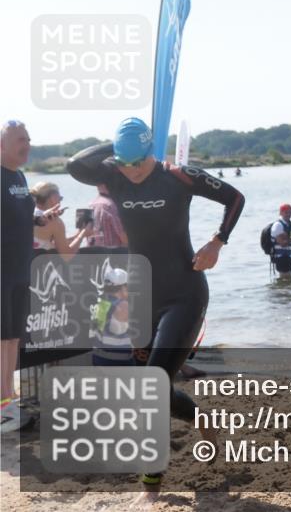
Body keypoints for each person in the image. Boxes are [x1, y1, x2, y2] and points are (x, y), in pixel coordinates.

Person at [67, 117, 245, 494]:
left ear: (150, 153)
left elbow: (235, 198)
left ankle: (151, 485)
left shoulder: (179, 176)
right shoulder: (114, 175)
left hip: (185, 293)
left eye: (137, 162)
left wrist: (217, 242)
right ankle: (200, 417)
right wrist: (117, 148)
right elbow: (75, 165)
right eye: (124, 162)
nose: (130, 172)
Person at [1, 120, 36, 433]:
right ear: (2, 145)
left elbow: (21, 215)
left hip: (19, 269)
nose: (27, 144)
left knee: (12, 338)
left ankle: (7, 400)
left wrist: (42, 217)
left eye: (28, 138)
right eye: (20, 140)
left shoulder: (20, 175)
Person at [30, 181, 92, 258]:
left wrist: (77, 235)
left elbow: (57, 243)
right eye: (60, 198)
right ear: (53, 198)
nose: (60, 201)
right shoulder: (54, 221)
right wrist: (83, 235)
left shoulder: (29, 216)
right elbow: (67, 255)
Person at [91, 267, 134, 366]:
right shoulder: (123, 305)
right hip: (118, 362)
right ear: (123, 287)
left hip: (99, 359)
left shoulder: (102, 303)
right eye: (127, 286)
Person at [87, 183, 128, 248]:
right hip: (113, 254)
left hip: (94, 253)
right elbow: (124, 236)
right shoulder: (111, 206)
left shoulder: (91, 205)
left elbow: (86, 233)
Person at [270, 204, 291, 279]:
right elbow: (282, 243)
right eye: (286, 212)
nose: (288, 214)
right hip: (281, 257)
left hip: (289, 256)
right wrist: (290, 237)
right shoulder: (278, 225)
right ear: (281, 213)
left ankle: (284, 290)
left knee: (289, 281)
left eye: (290, 212)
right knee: (284, 278)